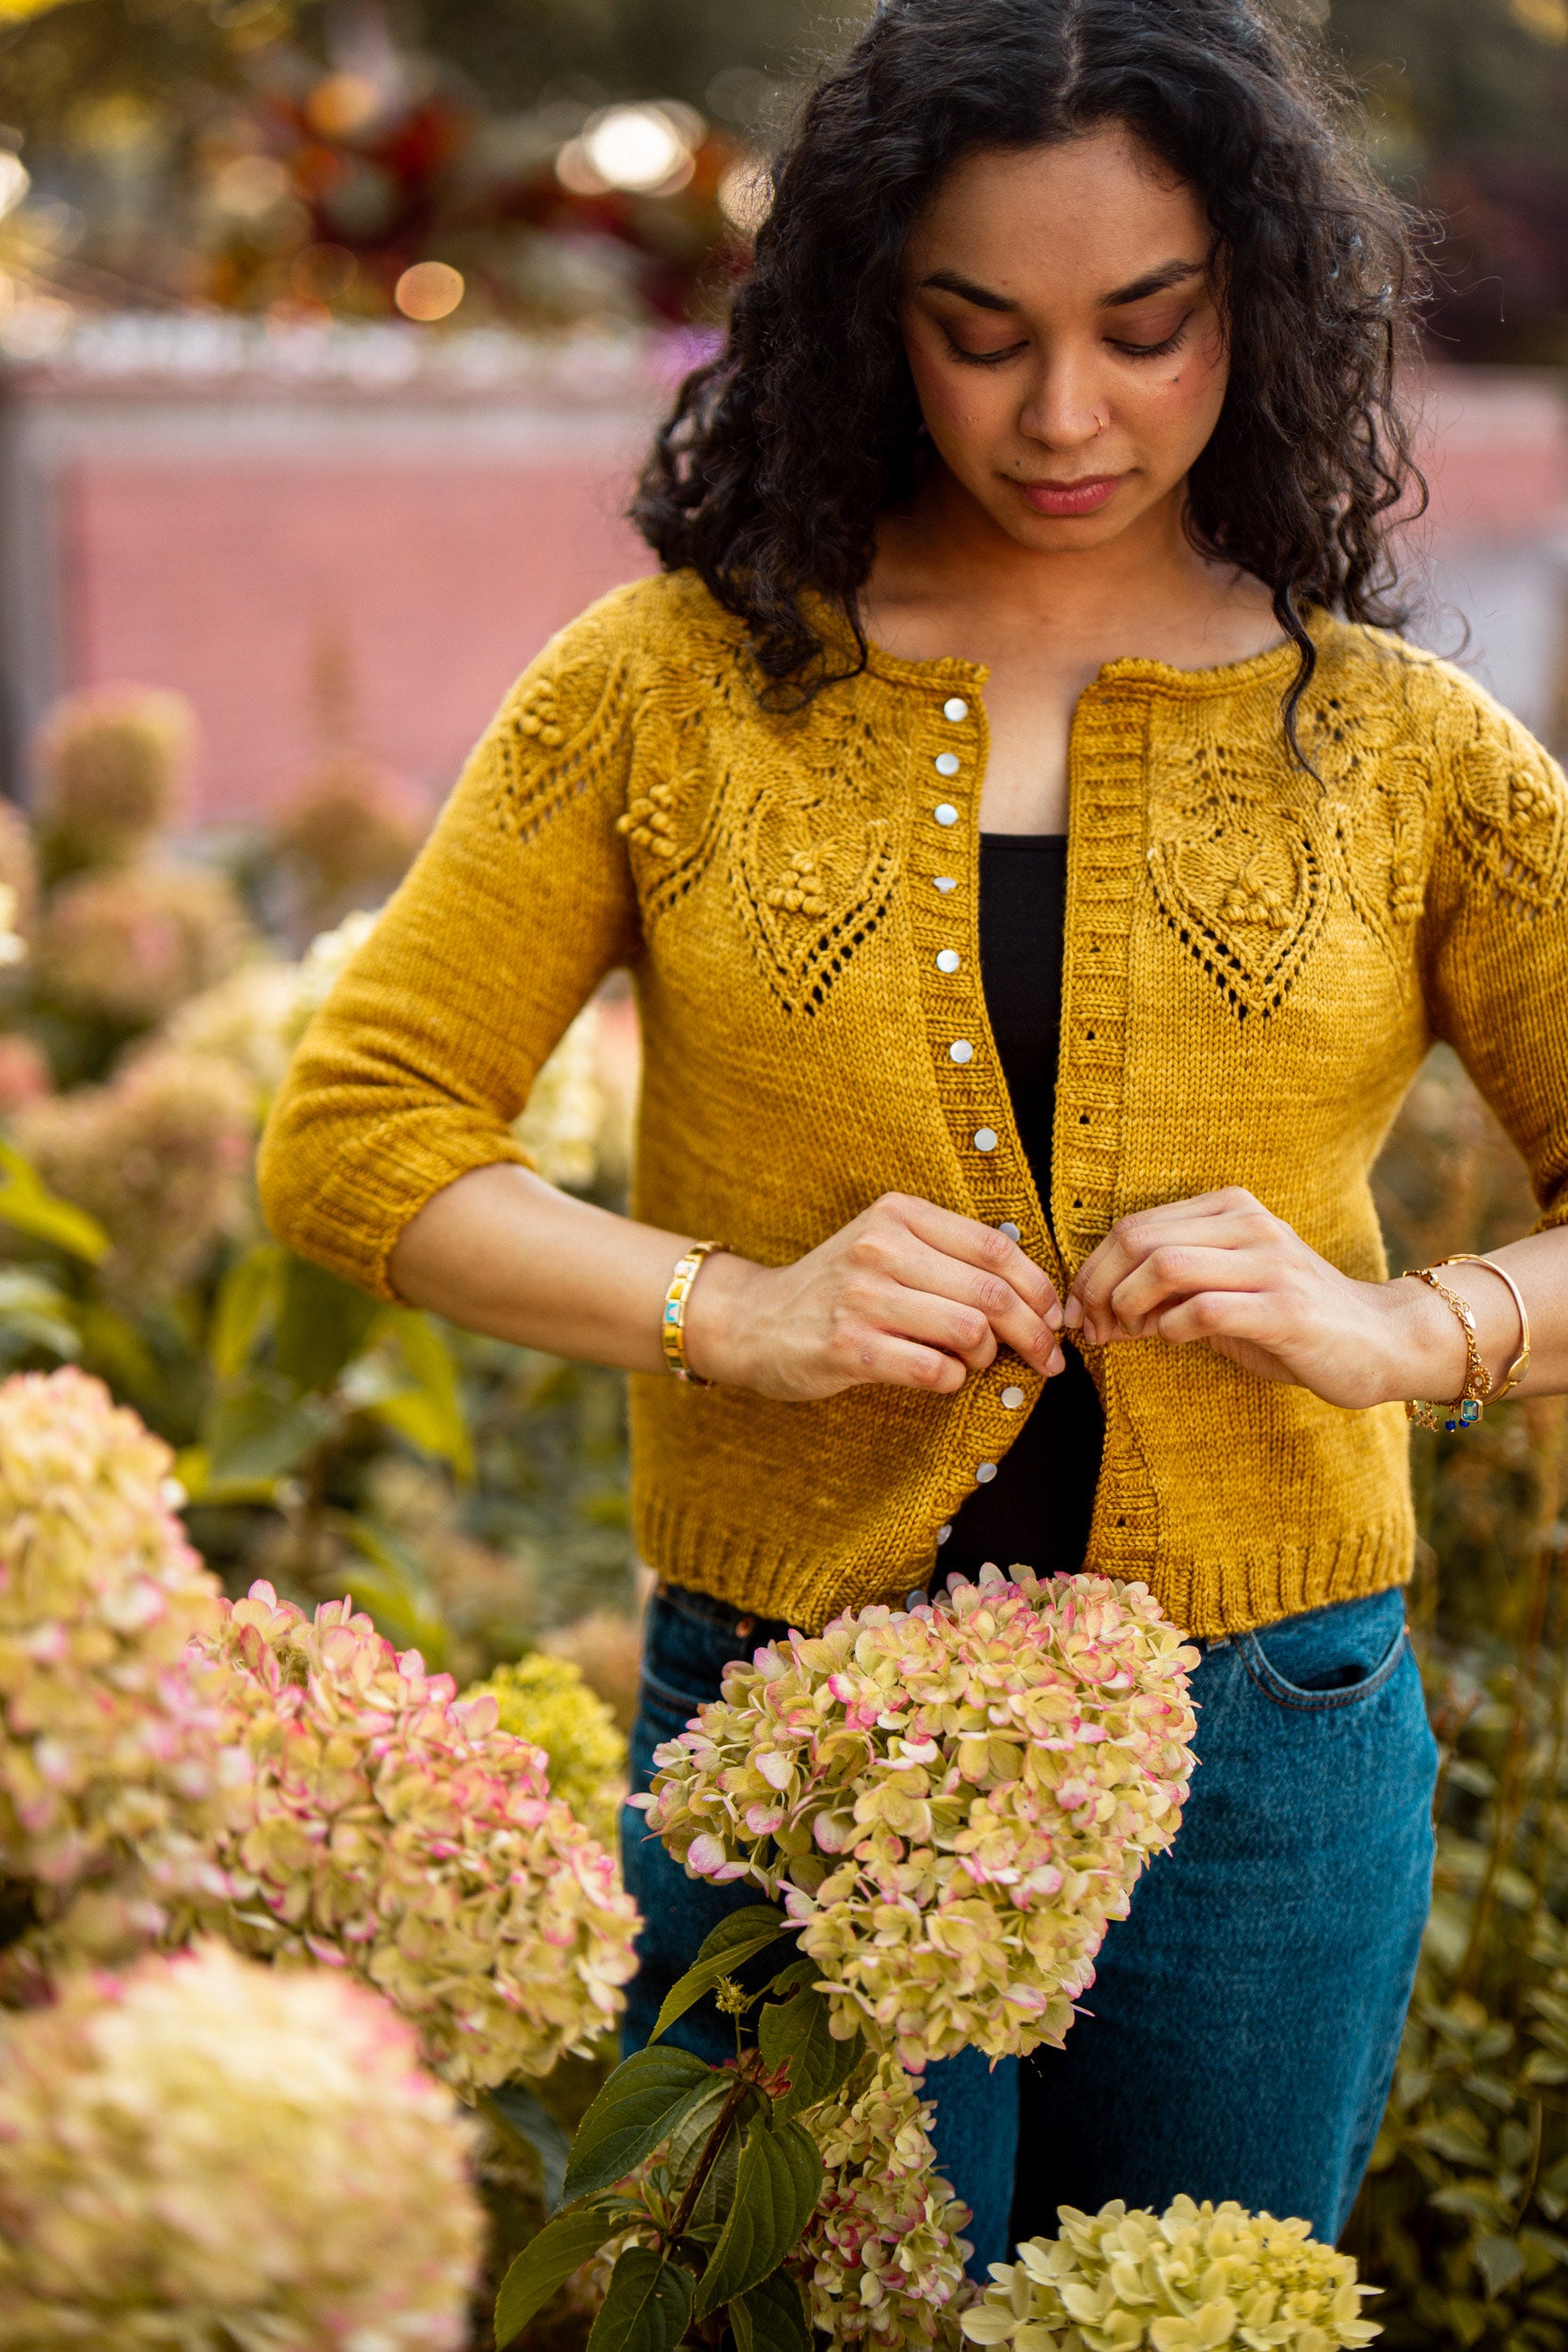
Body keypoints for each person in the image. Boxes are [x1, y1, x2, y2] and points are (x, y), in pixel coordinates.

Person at [258, 0, 1568, 2268]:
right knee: (800, 2312)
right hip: (787, 1723)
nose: (1069, 413)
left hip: (1270, 1739)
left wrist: (1400, 1328)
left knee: (1197, 2310)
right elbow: (358, 1135)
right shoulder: (670, 687)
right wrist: (727, 1307)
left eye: (1149, 330)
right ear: (875, 321)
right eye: (983, 336)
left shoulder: (1406, 751)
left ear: (1258, 308)